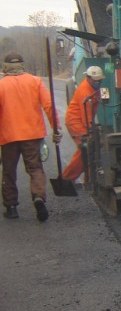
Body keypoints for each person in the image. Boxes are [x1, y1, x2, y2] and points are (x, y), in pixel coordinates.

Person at [0, 52, 61, 221]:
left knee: (9, 172)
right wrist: (56, 128)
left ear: (6, 67)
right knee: (35, 169)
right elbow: (49, 105)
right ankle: (38, 197)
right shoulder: (35, 81)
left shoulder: (1, 85)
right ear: (22, 64)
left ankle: (11, 207)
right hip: (32, 135)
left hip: (8, 136)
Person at [62, 65, 104, 183]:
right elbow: (86, 115)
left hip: (80, 120)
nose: (98, 83)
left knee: (90, 149)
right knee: (86, 149)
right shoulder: (84, 91)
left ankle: (89, 180)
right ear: (89, 78)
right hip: (76, 122)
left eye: (100, 80)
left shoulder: (93, 88)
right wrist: (91, 130)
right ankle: (66, 178)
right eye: (96, 81)